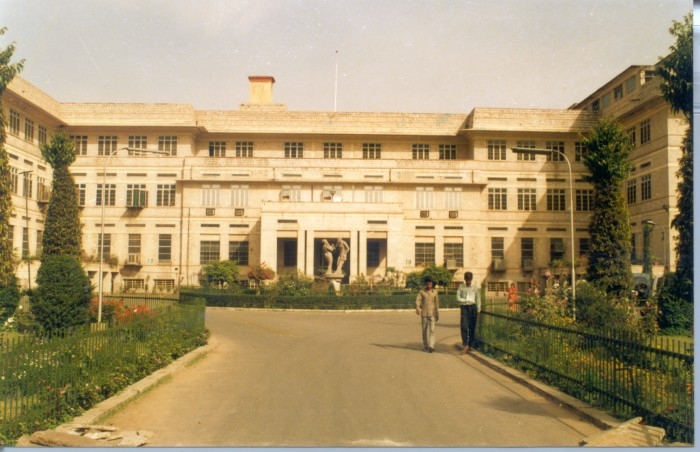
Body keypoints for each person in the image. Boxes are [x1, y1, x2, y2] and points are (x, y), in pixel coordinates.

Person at [456, 271, 480, 354]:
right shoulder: (461, 287)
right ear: (465, 280)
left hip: (472, 308)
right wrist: (465, 300)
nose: (468, 282)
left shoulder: (475, 288)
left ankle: (469, 345)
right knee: (464, 326)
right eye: (467, 280)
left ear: (471, 280)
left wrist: (478, 309)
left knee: (472, 327)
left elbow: (478, 298)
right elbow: (458, 298)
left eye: (469, 280)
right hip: (464, 308)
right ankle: (465, 344)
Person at [415, 276, 439, 353]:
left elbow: (437, 304)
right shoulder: (422, 292)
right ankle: (426, 346)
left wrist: (437, 314)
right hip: (424, 314)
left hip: (432, 314)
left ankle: (431, 346)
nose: (429, 286)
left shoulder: (435, 293)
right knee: (424, 331)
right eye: (427, 284)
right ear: (425, 284)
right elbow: (418, 300)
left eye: (430, 284)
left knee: (432, 330)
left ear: (432, 284)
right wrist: (417, 308)